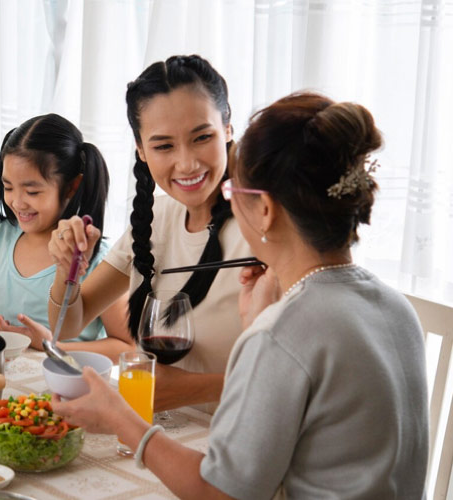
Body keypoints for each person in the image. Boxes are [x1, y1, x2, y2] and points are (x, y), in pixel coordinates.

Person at [52, 92, 429, 499]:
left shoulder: (281, 332)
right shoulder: (396, 308)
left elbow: (220, 492)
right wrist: (255, 323)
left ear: (264, 210)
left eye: (235, 196)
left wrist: (122, 419)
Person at [48, 55, 250, 409]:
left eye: (202, 137)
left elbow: (300, 377)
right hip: (152, 428)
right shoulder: (154, 217)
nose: (187, 163)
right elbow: (68, 325)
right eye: (164, 146)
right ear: (141, 150)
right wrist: (67, 273)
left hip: (236, 436)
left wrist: (190, 390)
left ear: (228, 129)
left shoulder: (265, 229)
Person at [0, 114, 133, 360]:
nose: (17, 202)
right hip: (3, 383)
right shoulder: (4, 237)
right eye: (8, 187)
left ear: (72, 187)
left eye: (32, 191)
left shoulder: (94, 258)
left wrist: (50, 345)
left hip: (62, 388)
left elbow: (126, 346)